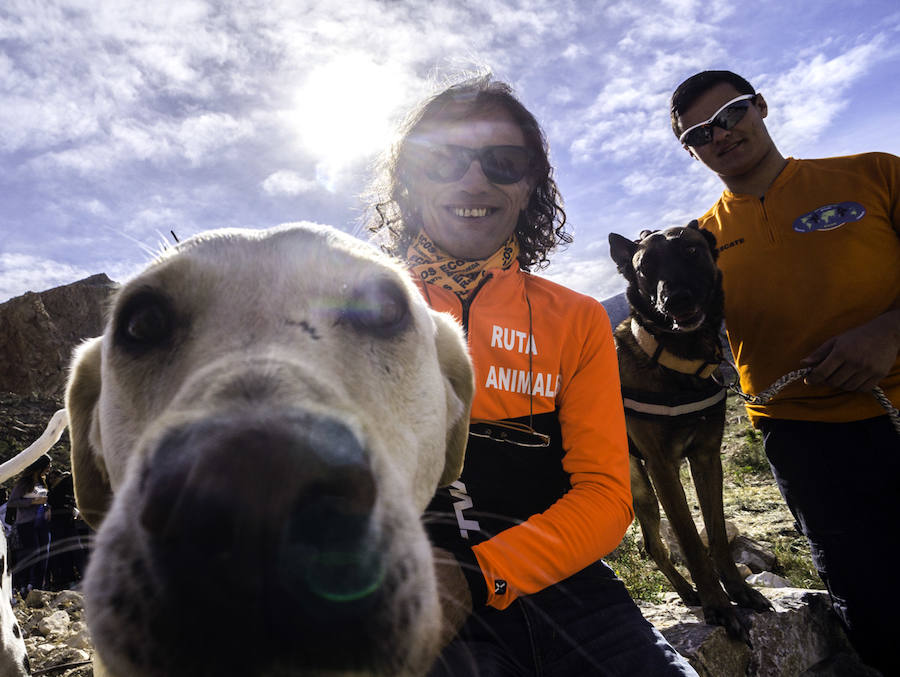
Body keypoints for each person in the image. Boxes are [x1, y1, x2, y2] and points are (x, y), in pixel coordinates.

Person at [369, 73, 697, 676]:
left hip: (567, 592)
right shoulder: (352, 310)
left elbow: (604, 497)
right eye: (443, 159)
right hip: (409, 601)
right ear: (410, 179)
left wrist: (479, 573)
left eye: (502, 161)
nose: (473, 180)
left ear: (529, 186)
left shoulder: (575, 318)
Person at [670, 70, 900, 675]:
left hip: (896, 408)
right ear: (691, 151)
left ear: (761, 106)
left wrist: (889, 332)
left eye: (731, 113)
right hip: (801, 439)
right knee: (869, 598)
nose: (720, 134)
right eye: (698, 132)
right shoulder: (702, 242)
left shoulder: (874, 173)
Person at [7, 455, 53, 594]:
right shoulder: (23, 483)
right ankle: (22, 586)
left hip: (43, 523)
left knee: (44, 555)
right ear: (40, 466)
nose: (49, 469)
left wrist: (48, 507)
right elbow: (12, 502)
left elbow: (46, 499)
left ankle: (37, 587)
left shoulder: (43, 482)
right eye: (48, 466)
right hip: (26, 524)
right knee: (31, 555)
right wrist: (31, 502)